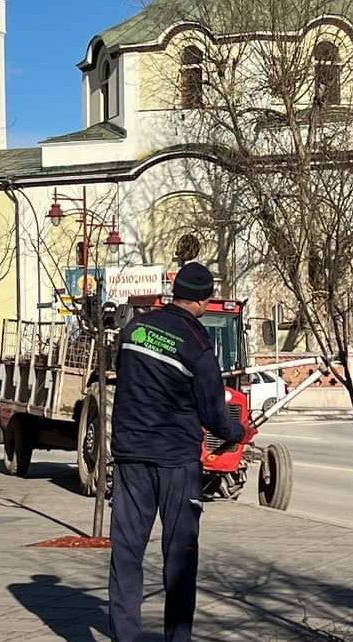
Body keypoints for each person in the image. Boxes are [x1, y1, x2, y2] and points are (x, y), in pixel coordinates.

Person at [108, 262, 257, 642]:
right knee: (179, 556)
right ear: (204, 300)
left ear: (175, 292)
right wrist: (240, 432)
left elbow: (124, 380)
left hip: (130, 455)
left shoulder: (134, 329)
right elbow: (214, 414)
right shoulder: (197, 344)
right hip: (175, 460)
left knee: (126, 552)